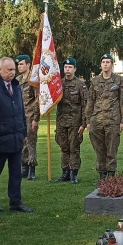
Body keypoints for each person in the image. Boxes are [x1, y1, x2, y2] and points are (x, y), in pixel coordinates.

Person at [0, 57, 35, 213]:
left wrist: (23, 131)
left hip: (16, 138)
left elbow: (21, 111)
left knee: (16, 173)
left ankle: (16, 201)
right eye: (9, 70)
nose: (12, 73)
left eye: (13, 69)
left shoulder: (16, 86)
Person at [86, 53, 123, 180]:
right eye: (103, 62)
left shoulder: (119, 80)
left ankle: (111, 175)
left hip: (113, 120)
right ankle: (102, 175)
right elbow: (90, 101)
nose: (105, 64)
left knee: (111, 148)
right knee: (99, 149)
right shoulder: (94, 81)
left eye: (108, 62)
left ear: (112, 65)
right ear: (101, 65)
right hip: (96, 120)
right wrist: (87, 120)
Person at [55, 56, 88, 184]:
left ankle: (73, 173)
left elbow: (85, 105)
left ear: (75, 69)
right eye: (65, 67)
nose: (67, 69)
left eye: (70, 67)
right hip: (61, 121)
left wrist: (83, 124)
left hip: (75, 122)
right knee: (64, 147)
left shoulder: (80, 85)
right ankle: (65, 172)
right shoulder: (58, 85)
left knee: (74, 148)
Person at [16, 54, 40, 180]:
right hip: (19, 117)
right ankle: (24, 167)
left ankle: (32, 168)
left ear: (28, 64)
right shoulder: (17, 80)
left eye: (21, 64)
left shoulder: (33, 80)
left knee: (31, 142)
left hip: (31, 116)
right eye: (18, 64)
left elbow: (37, 100)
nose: (19, 66)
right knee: (21, 142)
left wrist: (36, 118)